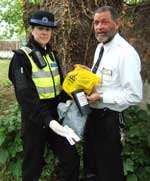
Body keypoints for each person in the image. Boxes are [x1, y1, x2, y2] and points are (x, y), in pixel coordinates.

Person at [8, 10, 80, 181]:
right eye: (40, 28)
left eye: (48, 29)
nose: (44, 32)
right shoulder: (21, 57)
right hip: (35, 120)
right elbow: (26, 96)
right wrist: (48, 120)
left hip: (56, 117)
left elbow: (60, 88)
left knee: (71, 159)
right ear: (32, 30)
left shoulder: (52, 55)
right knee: (32, 168)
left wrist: (77, 96)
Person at [82, 6, 143, 181]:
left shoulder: (126, 54)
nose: (99, 26)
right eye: (96, 22)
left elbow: (134, 95)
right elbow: (105, 80)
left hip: (109, 120)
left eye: (104, 22)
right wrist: (89, 75)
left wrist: (101, 97)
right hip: (92, 117)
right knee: (91, 167)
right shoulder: (100, 47)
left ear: (117, 23)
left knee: (109, 171)